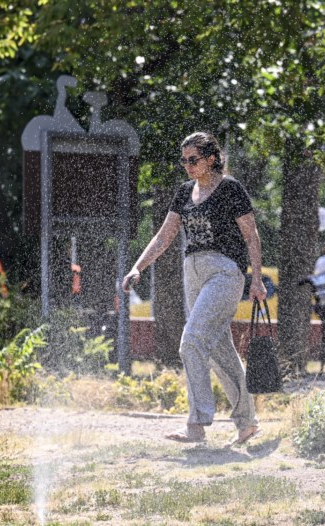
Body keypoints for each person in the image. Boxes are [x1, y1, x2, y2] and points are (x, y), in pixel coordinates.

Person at [122, 131, 266, 447]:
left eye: (194, 160)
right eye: (184, 160)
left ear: (211, 158)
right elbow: (163, 236)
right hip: (194, 272)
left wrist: (256, 280)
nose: (187, 166)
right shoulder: (185, 192)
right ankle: (247, 423)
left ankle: (197, 425)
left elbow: (251, 236)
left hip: (225, 272)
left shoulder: (231, 189)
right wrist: (138, 266)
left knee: (191, 341)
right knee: (218, 350)